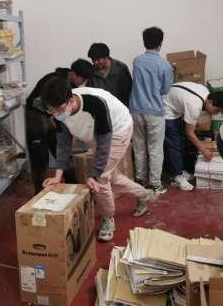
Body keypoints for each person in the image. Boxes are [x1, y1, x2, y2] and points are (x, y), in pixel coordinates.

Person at [41, 78, 158, 242]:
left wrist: (94, 175)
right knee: (110, 175)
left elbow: (104, 142)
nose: (56, 115)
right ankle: (145, 195)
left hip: (118, 130)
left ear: (71, 100)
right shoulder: (59, 112)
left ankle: (108, 218)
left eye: (59, 110)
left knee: (101, 177)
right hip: (97, 135)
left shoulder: (95, 104)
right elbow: (63, 143)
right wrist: (57, 175)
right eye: (51, 111)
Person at [26, 59, 95, 195]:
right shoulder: (54, 81)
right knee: (39, 156)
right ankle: (39, 192)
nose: (83, 83)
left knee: (62, 149)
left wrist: (70, 133)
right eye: (82, 79)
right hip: (36, 114)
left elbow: (65, 113)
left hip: (53, 114)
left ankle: (72, 185)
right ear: (74, 74)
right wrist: (67, 132)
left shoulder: (72, 87)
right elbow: (51, 114)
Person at [129, 27, 173, 195]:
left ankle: (140, 180)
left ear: (144, 43)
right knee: (155, 149)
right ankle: (154, 184)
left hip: (135, 110)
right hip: (154, 111)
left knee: (139, 147)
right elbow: (165, 89)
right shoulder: (164, 65)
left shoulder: (137, 61)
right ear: (160, 44)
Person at [163, 82, 223, 191]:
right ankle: (177, 177)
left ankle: (179, 171)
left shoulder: (205, 92)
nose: (216, 114)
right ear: (210, 102)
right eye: (216, 110)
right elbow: (190, 133)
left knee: (179, 141)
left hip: (174, 105)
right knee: (174, 144)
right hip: (166, 108)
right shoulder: (195, 105)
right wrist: (204, 150)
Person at [86, 43, 133, 107]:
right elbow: (89, 92)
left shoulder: (120, 69)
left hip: (119, 108)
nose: (95, 62)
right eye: (93, 60)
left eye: (98, 60)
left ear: (106, 57)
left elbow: (128, 92)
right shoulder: (91, 71)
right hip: (98, 109)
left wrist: (123, 108)